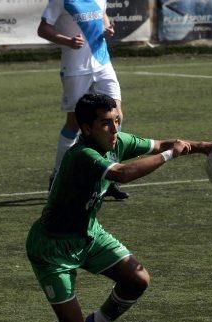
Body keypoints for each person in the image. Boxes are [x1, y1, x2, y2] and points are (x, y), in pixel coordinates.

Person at [26, 93, 212, 322]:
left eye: (117, 121)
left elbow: (160, 143)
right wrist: (170, 155)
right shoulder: (81, 155)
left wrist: (202, 147)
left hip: (88, 233)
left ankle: (102, 321)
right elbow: (121, 174)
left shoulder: (116, 142)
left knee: (138, 279)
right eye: (106, 124)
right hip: (52, 248)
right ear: (86, 128)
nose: (115, 129)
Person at [37, 0, 130, 200]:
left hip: (103, 63)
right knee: (75, 123)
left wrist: (108, 28)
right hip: (76, 68)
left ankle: (108, 177)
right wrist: (67, 41)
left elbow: (103, 16)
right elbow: (43, 29)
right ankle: (58, 175)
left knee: (116, 116)